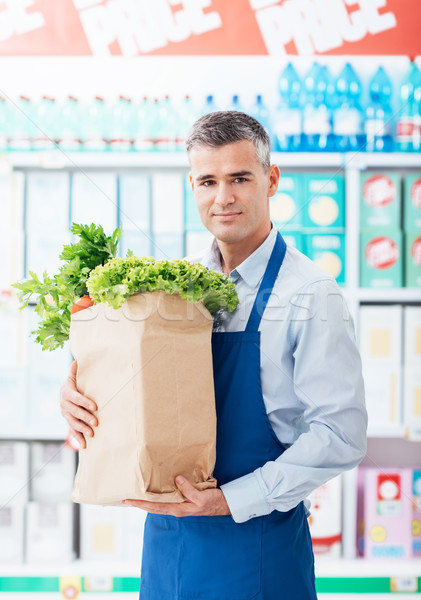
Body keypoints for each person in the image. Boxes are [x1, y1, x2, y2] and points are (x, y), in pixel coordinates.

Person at [60, 111, 367, 599]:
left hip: (258, 555)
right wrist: (81, 399)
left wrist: (228, 501)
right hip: (167, 550)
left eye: (239, 178)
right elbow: (141, 390)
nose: (222, 198)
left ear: (271, 181)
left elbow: (341, 435)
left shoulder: (311, 295)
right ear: (192, 186)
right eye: (208, 181)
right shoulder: (170, 289)